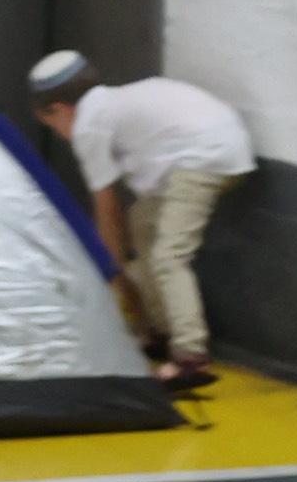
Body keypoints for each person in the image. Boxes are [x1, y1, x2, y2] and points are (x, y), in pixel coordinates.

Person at [26, 51, 253, 392]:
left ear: (59, 109)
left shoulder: (89, 124)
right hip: (217, 147)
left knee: (169, 255)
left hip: (203, 158)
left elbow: (106, 207)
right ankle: (161, 330)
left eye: (53, 126)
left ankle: (190, 355)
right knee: (143, 224)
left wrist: (112, 269)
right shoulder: (113, 103)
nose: (60, 135)